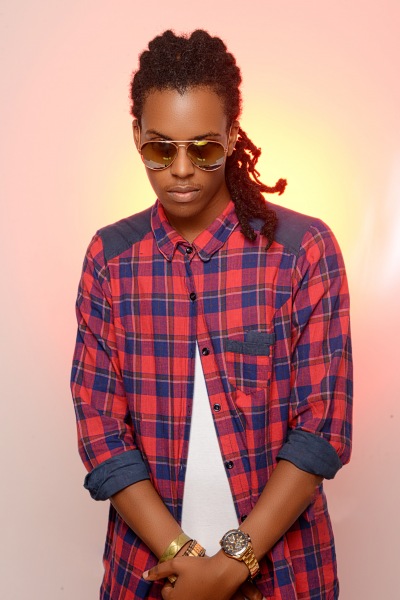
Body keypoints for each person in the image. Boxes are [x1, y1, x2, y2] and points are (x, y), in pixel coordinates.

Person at [71, 29, 352, 600]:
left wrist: (229, 567)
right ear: (136, 137)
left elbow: (320, 431)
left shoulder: (302, 251)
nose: (180, 169)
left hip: (284, 580)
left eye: (203, 149)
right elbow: (101, 431)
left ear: (232, 136)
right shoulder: (111, 259)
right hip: (150, 579)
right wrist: (183, 557)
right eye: (160, 149)